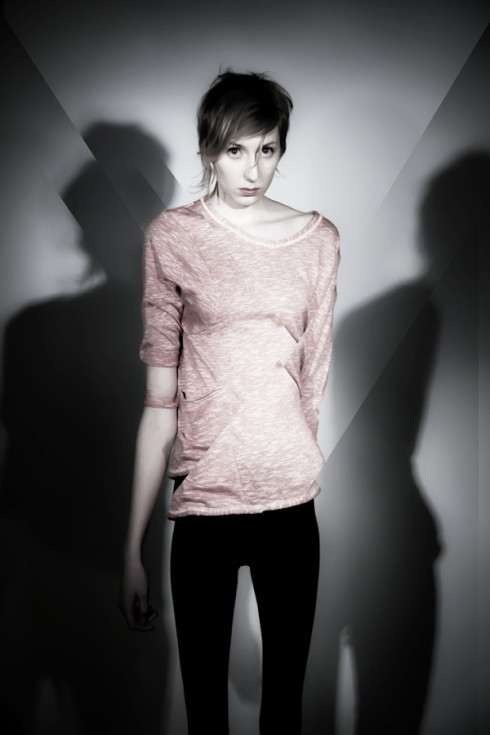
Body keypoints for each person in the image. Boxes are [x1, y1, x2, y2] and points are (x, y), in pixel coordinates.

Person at [120, 71, 340, 735]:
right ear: (208, 150)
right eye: (235, 150)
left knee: (284, 713)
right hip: (204, 509)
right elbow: (159, 405)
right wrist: (131, 549)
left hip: (289, 508)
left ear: (281, 149)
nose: (252, 169)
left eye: (267, 149)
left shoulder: (318, 240)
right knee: (205, 716)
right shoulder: (172, 236)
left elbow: (313, 380)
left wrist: (287, 457)